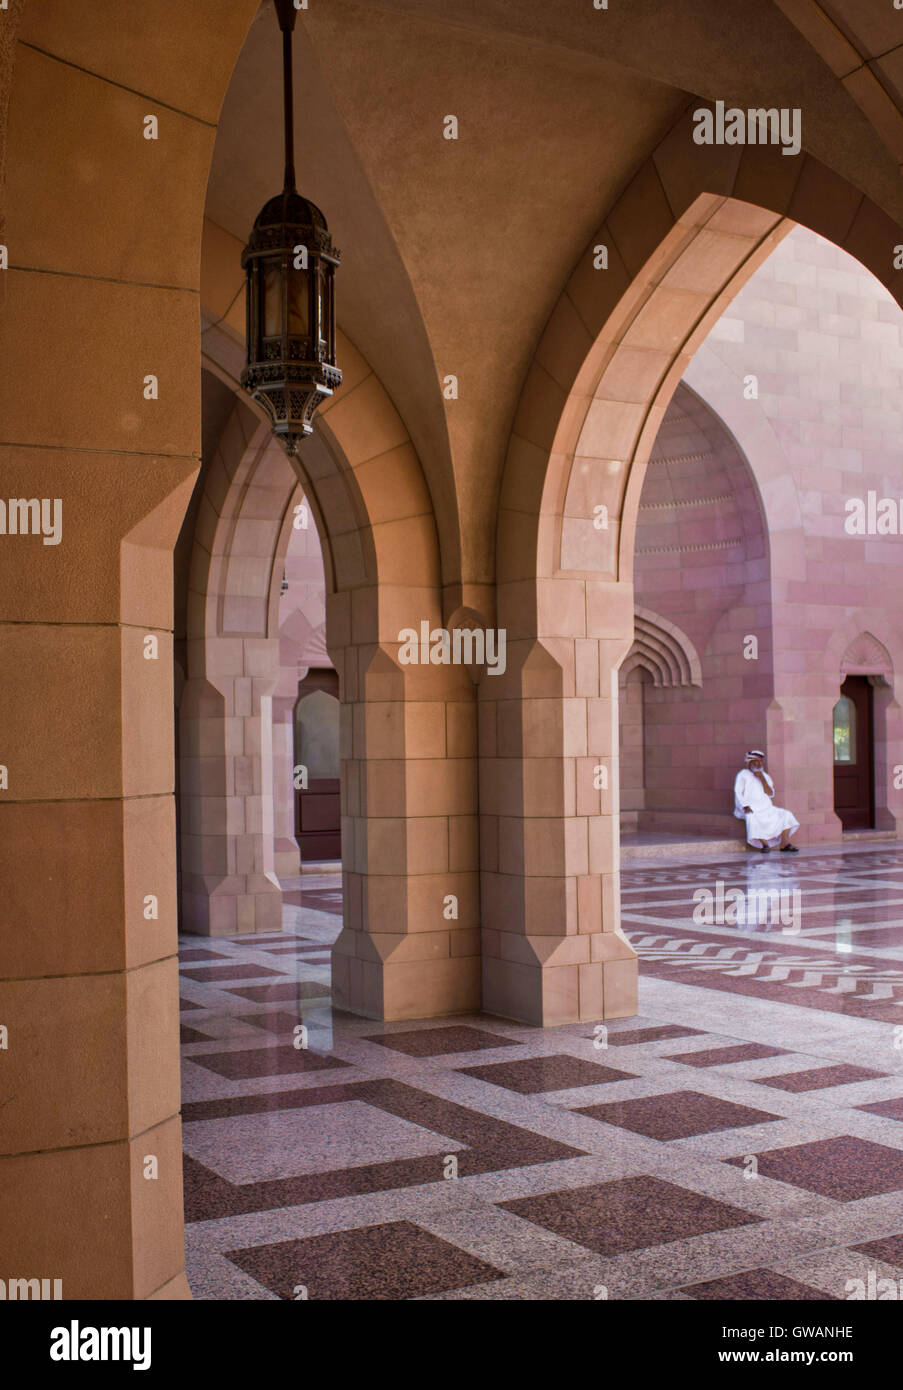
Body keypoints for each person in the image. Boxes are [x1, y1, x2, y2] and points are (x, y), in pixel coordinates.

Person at [733, 749, 800, 853]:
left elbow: (770, 793)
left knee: (786, 814)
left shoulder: (765, 776)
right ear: (750, 762)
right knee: (751, 816)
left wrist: (762, 778)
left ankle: (784, 843)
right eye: (756, 761)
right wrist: (744, 806)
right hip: (749, 807)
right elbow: (738, 792)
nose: (759, 763)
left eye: (760, 761)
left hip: (766, 808)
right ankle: (765, 845)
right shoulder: (743, 775)